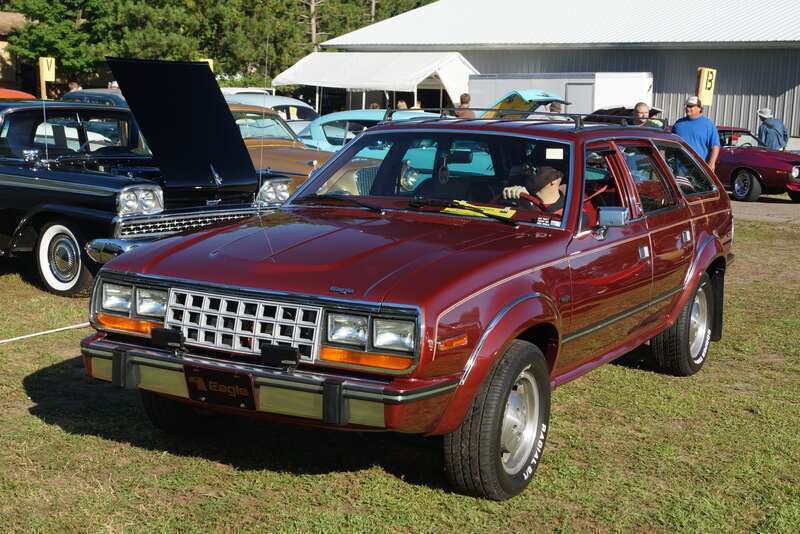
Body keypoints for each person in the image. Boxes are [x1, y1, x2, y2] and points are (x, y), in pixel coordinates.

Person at [672, 96, 720, 170]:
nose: (688, 108)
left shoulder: (708, 124)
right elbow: (671, 142)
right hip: (680, 168)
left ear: (699, 108)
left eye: (691, 106)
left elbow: (715, 146)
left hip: (699, 169)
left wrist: (711, 163)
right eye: (687, 106)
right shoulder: (678, 124)